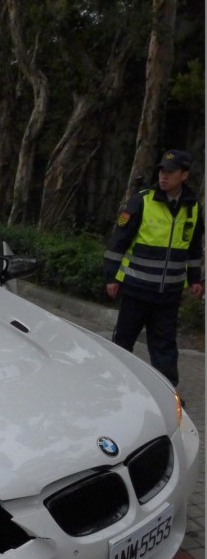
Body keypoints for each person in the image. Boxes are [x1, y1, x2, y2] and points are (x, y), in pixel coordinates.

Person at [104, 149, 204, 391]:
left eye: (170, 172)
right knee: (123, 341)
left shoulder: (193, 208)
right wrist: (111, 277)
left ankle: (167, 394)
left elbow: (193, 248)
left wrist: (195, 279)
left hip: (168, 294)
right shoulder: (142, 200)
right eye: (161, 171)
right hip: (136, 288)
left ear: (184, 176)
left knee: (165, 346)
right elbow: (118, 242)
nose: (163, 176)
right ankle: (115, 387)